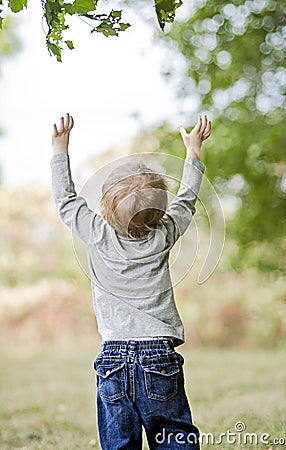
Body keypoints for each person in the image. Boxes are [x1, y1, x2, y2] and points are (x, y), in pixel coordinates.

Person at [51, 113, 211, 449]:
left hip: (112, 360)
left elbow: (66, 201)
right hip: (159, 357)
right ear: (160, 213)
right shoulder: (164, 234)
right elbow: (187, 199)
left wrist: (60, 149)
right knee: (174, 438)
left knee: (119, 443)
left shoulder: (97, 234)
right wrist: (193, 153)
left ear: (106, 212)